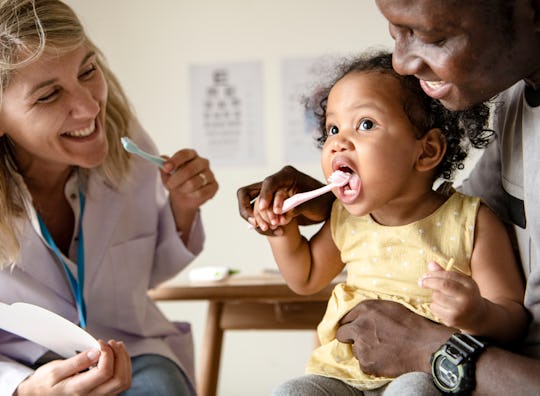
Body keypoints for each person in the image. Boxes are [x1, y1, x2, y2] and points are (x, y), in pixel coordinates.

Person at [237, 0, 540, 393]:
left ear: (427, 151)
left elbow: (512, 317)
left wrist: (474, 316)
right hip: (343, 374)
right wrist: (283, 229)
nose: (402, 61)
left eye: (365, 124)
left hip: (427, 377)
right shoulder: (350, 221)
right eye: (331, 130)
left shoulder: (471, 222)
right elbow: (306, 275)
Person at [0, 0, 218, 395]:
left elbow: (145, 272)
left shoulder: (128, 147)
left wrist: (182, 208)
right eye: (49, 95)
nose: (88, 108)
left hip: (132, 352)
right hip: (19, 367)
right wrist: (23, 388)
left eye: (88, 71)